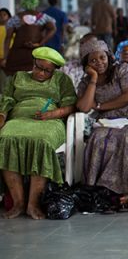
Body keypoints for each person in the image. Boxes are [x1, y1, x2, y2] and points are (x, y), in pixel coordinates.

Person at [0, 47, 76, 219]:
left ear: (54, 70)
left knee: (41, 141)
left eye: (46, 71)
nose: (41, 73)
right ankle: (18, 203)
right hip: (19, 119)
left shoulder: (61, 80)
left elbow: (71, 105)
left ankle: (33, 204)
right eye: (38, 67)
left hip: (49, 121)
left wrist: (52, 114)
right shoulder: (18, 77)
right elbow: (7, 99)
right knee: (4, 140)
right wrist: (2, 116)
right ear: (33, 63)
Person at [76, 39, 128, 207]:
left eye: (102, 58)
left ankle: (124, 191)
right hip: (105, 123)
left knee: (125, 137)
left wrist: (100, 106)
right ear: (87, 64)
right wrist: (93, 78)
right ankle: (96, 189)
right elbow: (84, 107)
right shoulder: (86, 82)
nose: (99, 63)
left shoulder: (122, 70)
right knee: (98, 138)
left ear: (108, 56)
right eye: (93, 60)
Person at [2, 0, 57, 76]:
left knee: (16, 79)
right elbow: (53, 29)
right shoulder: (43, 17)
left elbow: (8, 38)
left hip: (18, 55)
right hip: (37, 54)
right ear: (36, 3)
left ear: (22, 3)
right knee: (36, 77)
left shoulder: (16, 18)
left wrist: (5, 57)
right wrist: (41, 43)